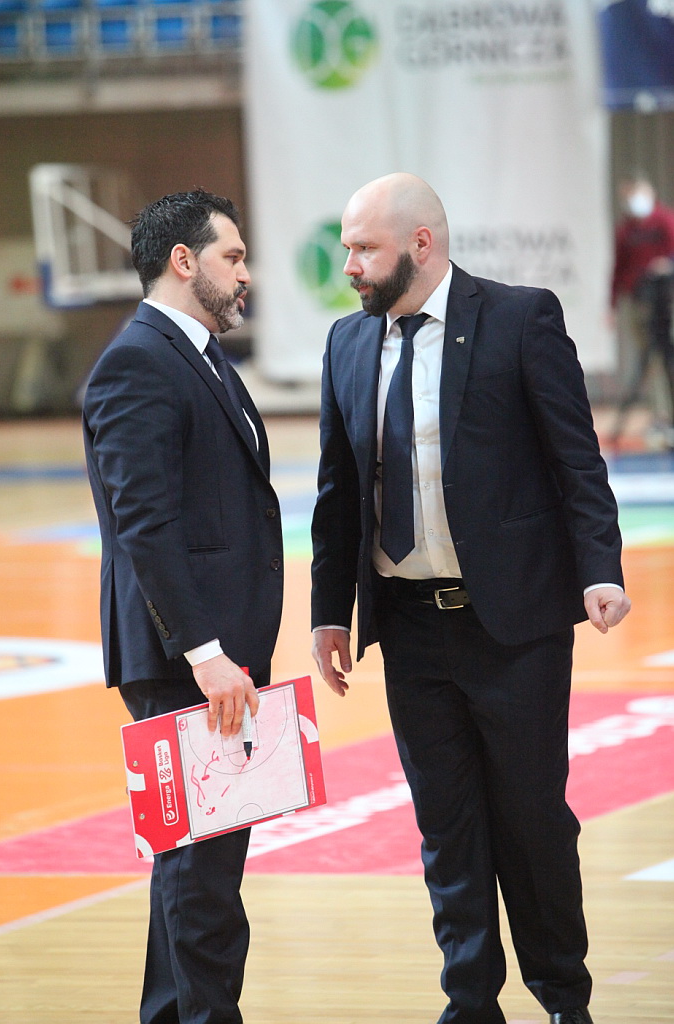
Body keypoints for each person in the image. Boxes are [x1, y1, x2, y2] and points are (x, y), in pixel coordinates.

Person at [311, 173, 631, 1024]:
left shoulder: (519, 318)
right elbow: (337, 494)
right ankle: (469, 1004)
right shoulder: (347, 342)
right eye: (346, 248)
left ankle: (563, 998)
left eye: (363, 247)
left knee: (531, 821)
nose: (349, 264)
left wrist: (599, 567)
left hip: (514, 626)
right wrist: (327, 612)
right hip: (408, 628)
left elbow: (575, 459)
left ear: (420, 244)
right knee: (446, 827)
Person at [83, 189, 283, 1024]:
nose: (245, 274)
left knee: (196, 873)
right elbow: (146, 524)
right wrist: (204, 652)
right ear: (183, 261)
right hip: (187, 663)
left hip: (214, 658)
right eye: (232, 257)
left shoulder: (196, 354)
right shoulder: (138, 361)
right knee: (202, 884)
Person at [611, 175, 674, 445]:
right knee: (649, 359)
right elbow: (618, 268)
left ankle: (666, 415)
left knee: (666, 356)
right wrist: (612, 304)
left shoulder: (665, 220)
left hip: (667, 298)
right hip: (640, 301)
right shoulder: (626, 231)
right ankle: (658, 415)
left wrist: (666, 265)